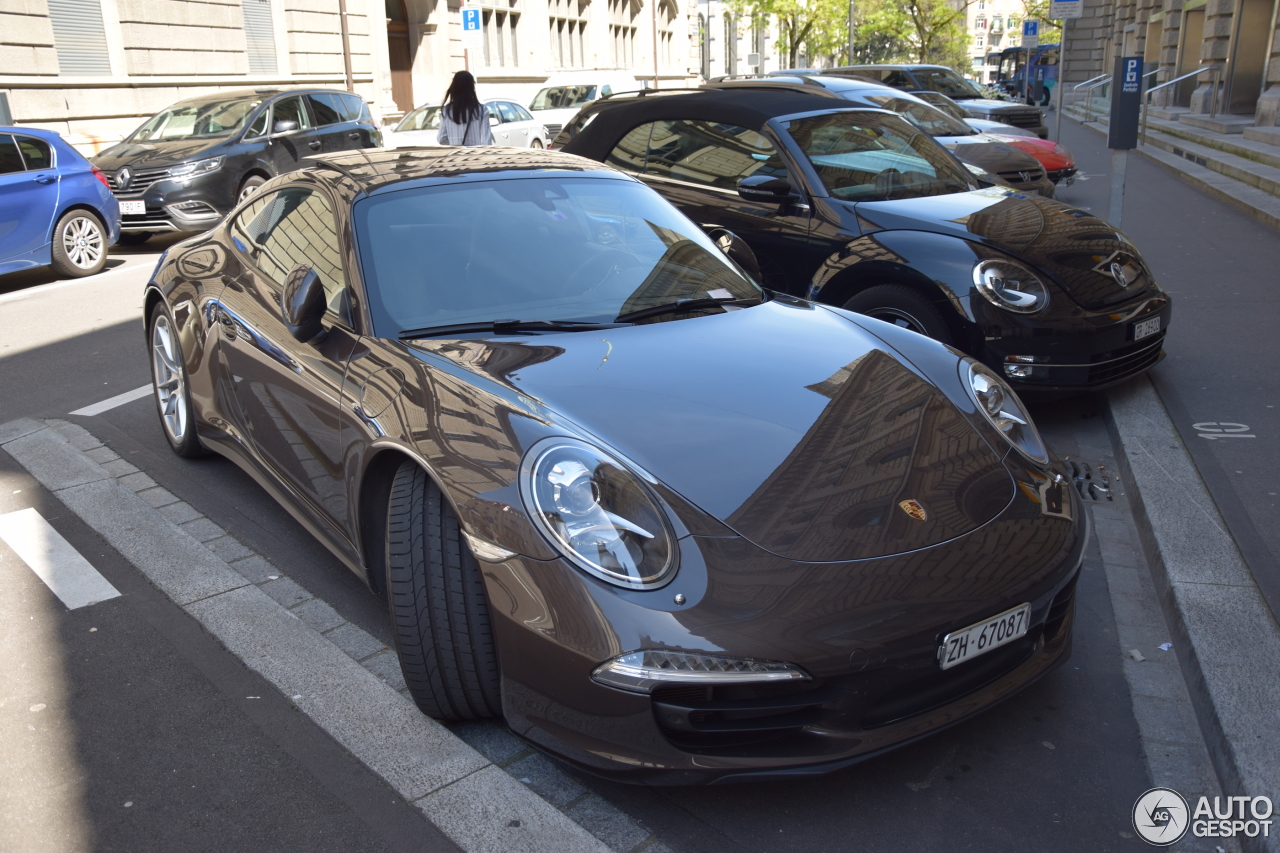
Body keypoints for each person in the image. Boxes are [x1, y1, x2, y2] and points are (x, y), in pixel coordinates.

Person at [436, 71, 494, 147]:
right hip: (475, 157)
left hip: (455, 157)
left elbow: (441, 139)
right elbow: (486, 141)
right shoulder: (481, 110)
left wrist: (455, 144)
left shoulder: (447, 110)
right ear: (472, 87)